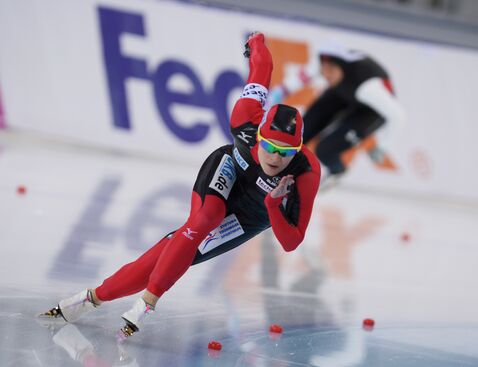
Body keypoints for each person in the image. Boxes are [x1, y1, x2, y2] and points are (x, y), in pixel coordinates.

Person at [40, 32, 321, 338]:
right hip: (228, 169)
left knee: (174, 252)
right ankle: (147, 303)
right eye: (271, 147)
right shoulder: (244, 120)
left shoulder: (306, 172)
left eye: (287, 152)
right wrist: (256, 42)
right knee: (205, 218)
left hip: (252, 216)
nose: (277, 159)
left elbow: (291, 241)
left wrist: (272, 205)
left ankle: (89, 299)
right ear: (259, 137)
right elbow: (261, 71)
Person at [270, 41, 406, 187]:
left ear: (341, 68)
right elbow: (294, 82)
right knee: (302, 130)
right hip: (343, 92)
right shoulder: (326, 65)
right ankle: (281, 167)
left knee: (325, 149)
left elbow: (398, 115)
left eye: (330, 72)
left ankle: (337, 171)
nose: (326, 75)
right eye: (323, 71)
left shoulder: (369, 89)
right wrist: (276, 94)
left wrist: (382, 146)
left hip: (371, 110)